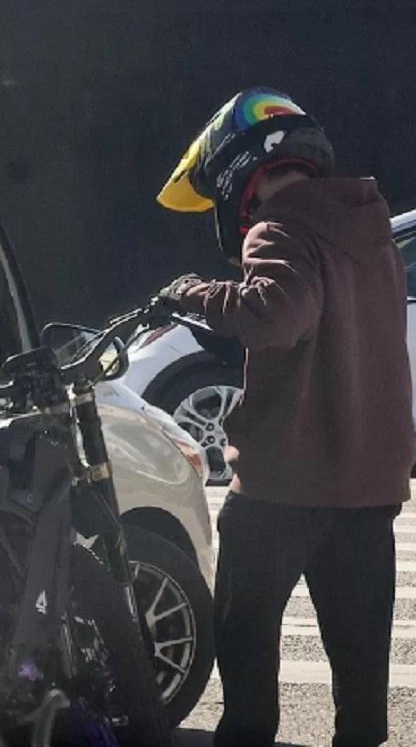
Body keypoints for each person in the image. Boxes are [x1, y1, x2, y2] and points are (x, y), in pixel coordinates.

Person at [155, 87, 414, 747]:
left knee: (245, 651)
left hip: (281, 488)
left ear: (242, 172)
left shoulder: (281, 226)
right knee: (360, 678)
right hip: (367, 488)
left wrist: (193, 293)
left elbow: (276, 314)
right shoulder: (371, 230)